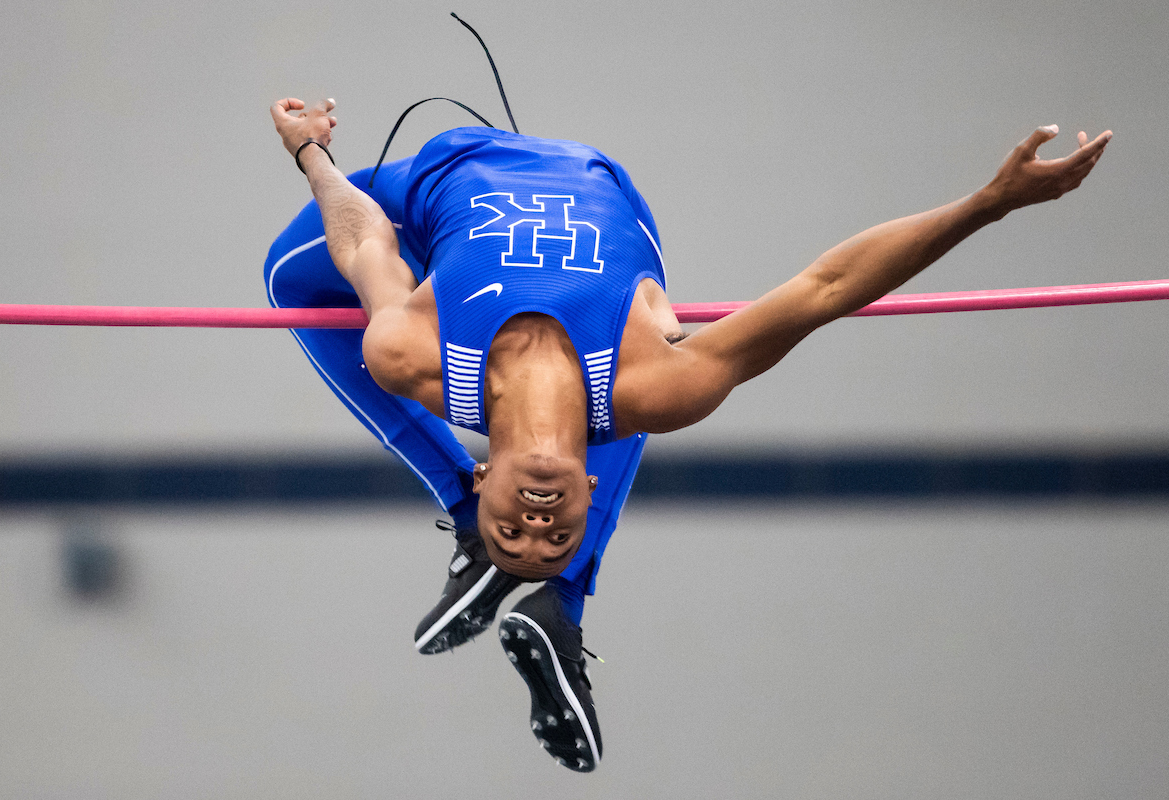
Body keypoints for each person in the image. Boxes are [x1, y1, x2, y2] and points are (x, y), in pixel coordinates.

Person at [268, 97, 1110, 771]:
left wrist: (311, 154)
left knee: (288, 274)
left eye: (510, 532)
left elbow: (365, 236)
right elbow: (826, 288)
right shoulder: (661, 385)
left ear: (483, 480)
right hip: (605, 187)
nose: (535, 522)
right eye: (554, 536)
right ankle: (561, 601)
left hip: (438, 179)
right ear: (587, 490)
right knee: (635, 403)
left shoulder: (412, 353)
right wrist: (987, 204)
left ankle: (484, 535)